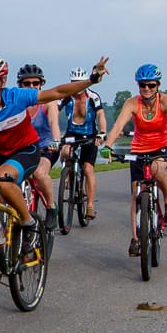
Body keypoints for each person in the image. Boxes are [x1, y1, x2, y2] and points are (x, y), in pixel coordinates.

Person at [0, 56, 110, 259]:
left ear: (2, 82)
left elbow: (58, 92)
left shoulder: (17, 97)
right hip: (1, 155)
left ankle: (28, 222)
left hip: (26, 151)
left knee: (3, 180)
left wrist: (91, 79)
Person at [100, 64, 167, 257]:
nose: (147, 89)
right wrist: (108, 146)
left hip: (163, 144)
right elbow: (118, 125)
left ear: (158, 85)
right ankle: (135, 238)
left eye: (151, 85)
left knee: (158, 169)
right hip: (139, 147)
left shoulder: (166, 101)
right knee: (136, 193)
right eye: (143, 85)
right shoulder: (132, 103)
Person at [58, 67, 107, 221]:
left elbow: (100, 115)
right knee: (65, 151)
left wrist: (103, 132)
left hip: (90, 134)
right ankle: (68, 172)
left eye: (80, 82)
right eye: (74, 83)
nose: (77, 86)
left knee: (88, 168)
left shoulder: (93, 97)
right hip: (72, 132)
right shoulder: (66, 96)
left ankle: (90, 206)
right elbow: (54, 111)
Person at [15, 64, 60, 218]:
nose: (31, 87)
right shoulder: (16, 103)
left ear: (41, 84)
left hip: (46, 148)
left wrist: (56, 140)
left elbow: (54, 123)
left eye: (36, 83)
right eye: (27, 84)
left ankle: (51, 207)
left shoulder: (48, 102)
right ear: (20, 85)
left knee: (40, 174)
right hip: (25, 148)